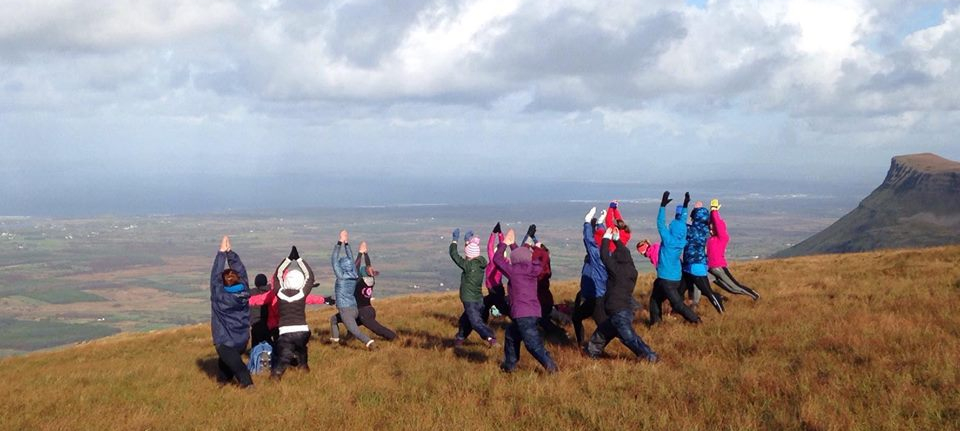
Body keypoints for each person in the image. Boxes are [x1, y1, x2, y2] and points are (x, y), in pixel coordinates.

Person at [584, 227, 658, 362]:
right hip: (621, 310)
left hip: (618, 311)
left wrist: (606, 238)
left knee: (629, 338)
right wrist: (617, 241)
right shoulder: (632, 271)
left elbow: (604, 256)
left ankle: (650, 356)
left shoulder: (617, 270)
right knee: (602, 333)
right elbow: (624, 254)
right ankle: (590, 353)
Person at [493, 229, 558, 373]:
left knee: (532, 344)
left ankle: (552, 369)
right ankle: (509, 366)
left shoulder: (514, 271)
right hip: (533, 311)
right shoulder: (534, 268)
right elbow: (527, 256)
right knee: (511, 335)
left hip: (522, 314)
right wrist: (514, 244)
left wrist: (504, 243)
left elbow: (497, 259)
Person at [649, 191, 701, 325]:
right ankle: (656, 324)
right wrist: (685, 204)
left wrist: (662, 206)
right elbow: (682, 221)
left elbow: (660, 223)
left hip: (667, 278)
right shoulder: (681, 239)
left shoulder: (668, 240)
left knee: (677, 304)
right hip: (675, 277)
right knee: (655, 299)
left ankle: (696, 320)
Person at [209, 235, 253, 388]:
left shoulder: (219, 296)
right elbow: (242, 272)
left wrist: (222, 253)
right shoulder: (245, 291)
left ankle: (249, 387)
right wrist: (230, 253)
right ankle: (222, 385)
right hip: (242, 340)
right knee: (225, 364)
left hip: (225, 342)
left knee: (239, 368)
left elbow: (215, 277)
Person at [270, 245, 317, 380]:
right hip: (303, 332)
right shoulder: (302, 293)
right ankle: (304, 368)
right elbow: (310, 276)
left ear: (286, 281)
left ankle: (276, 376)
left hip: (285, 333)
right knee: (302, 349)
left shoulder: (280, 293)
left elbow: (277, 275)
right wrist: (299, 259)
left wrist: (289, 259)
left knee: (284, 357)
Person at [450, 228, 498, 347]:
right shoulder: (480, 264)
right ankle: (459, 339)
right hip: (478, 298)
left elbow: (454, 255)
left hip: (469, 299)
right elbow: (470, 255)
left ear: (469, 256)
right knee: (465, 320)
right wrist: (467, 242)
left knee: (476, 322)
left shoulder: (467, 265)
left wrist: (455, 240)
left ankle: (491, 338)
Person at [329, 230, 376, 349]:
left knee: (356, 332)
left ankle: (370, 343)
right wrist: (346, 243)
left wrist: (340, 242)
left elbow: (334, 259)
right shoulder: (354, 273)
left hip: (346, 310)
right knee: (333, 319)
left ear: (341, 267)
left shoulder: (341, 276)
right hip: (354, 308)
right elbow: (351, 258)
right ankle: (335, 341)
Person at [707, 199, 760, 300]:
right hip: (710, 268)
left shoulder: (722, 237)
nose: (710, 230)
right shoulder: (711, 239)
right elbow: (711, 222)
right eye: (709, 228)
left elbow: (717, 223)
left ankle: (755, 296)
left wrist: (714, 210)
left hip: (719, 266)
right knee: (727, 289)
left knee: (734, 288)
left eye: (712, 228)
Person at [680, 202, 725, 314]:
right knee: (681, 291)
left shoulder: (690, 230)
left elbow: (680, 223)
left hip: (693, 266)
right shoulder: (705, 230)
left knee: (708, 292)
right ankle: (681, 312)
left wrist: (691, 209)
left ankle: (722, 312)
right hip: (696, 265)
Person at [573, 207, 609, 346]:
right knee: (577, 317)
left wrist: (587, 223)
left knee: (605, 326)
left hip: (596, 296)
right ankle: (582, 344)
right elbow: (600, 238)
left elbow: (589, 240)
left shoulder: (596, 256)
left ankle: (596, 348)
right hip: (592, 295)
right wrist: (600, 223)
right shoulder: (604, 253)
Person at [349, 241, 397, 340]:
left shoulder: (359, 282)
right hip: (369, 310)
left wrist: (360, 253)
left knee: (378, 329)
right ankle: (348, 339)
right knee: (349, 323)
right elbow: (369, 267)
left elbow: (356, 267)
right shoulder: (371, 280)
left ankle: (394, 338)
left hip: (363, 312)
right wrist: (365, 253)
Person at [482, 223, 511, 322]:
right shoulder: (504, 261)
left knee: (502, 308)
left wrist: (494, 233)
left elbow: (489, 247)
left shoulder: (493, 260)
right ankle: (484, 322)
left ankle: (517, 320)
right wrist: (500, 234)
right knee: (487, 305)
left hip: (494, 289)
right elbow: (503, 246)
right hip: (497, 288)